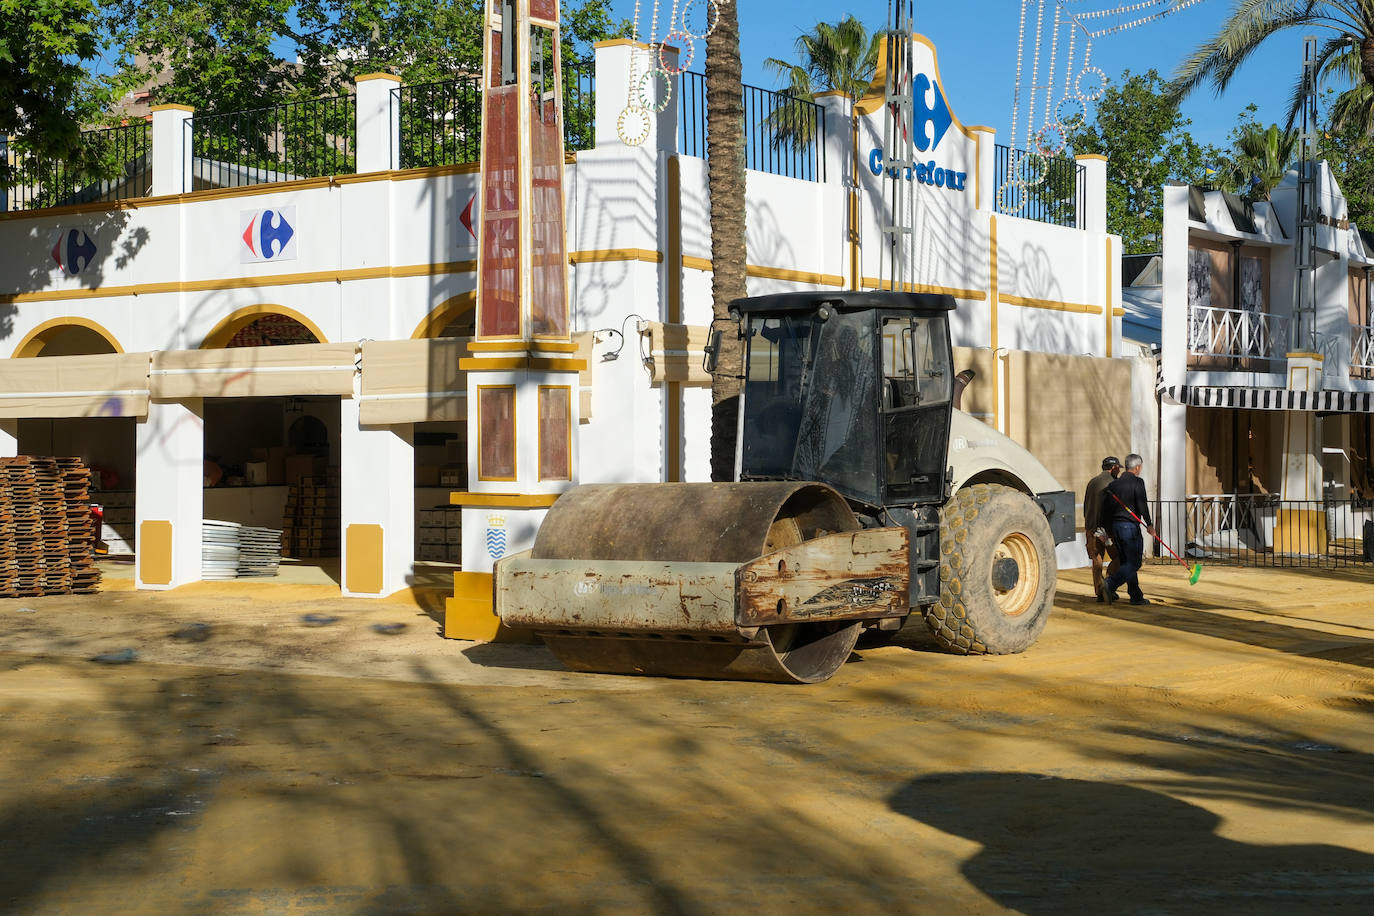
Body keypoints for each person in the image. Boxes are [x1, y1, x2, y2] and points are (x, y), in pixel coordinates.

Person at [1100, 453, 1154, 606]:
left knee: (1126, 562)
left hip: (1116, 527)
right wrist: (1149, 524)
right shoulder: (1138, 482)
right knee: (1135, 563)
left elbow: (1106, 509)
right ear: (1137, 467)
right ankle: (1110, 583)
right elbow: (1142, 504)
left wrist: (1106, 529)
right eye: (1140, 467)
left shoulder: (1113, 485)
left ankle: (1135, 596)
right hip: (1129, 527)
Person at [1083, 456, 1121, 601]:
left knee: (1097, 560)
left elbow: (1086, 505)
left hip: (1091, 527)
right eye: (1118, 468)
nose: (1119, 471)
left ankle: (1099, 592)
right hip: (1107, 529)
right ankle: (1108, 586)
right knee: (1119, 557)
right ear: (1113, 468)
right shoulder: (1114, 483)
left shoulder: (1092, 482)